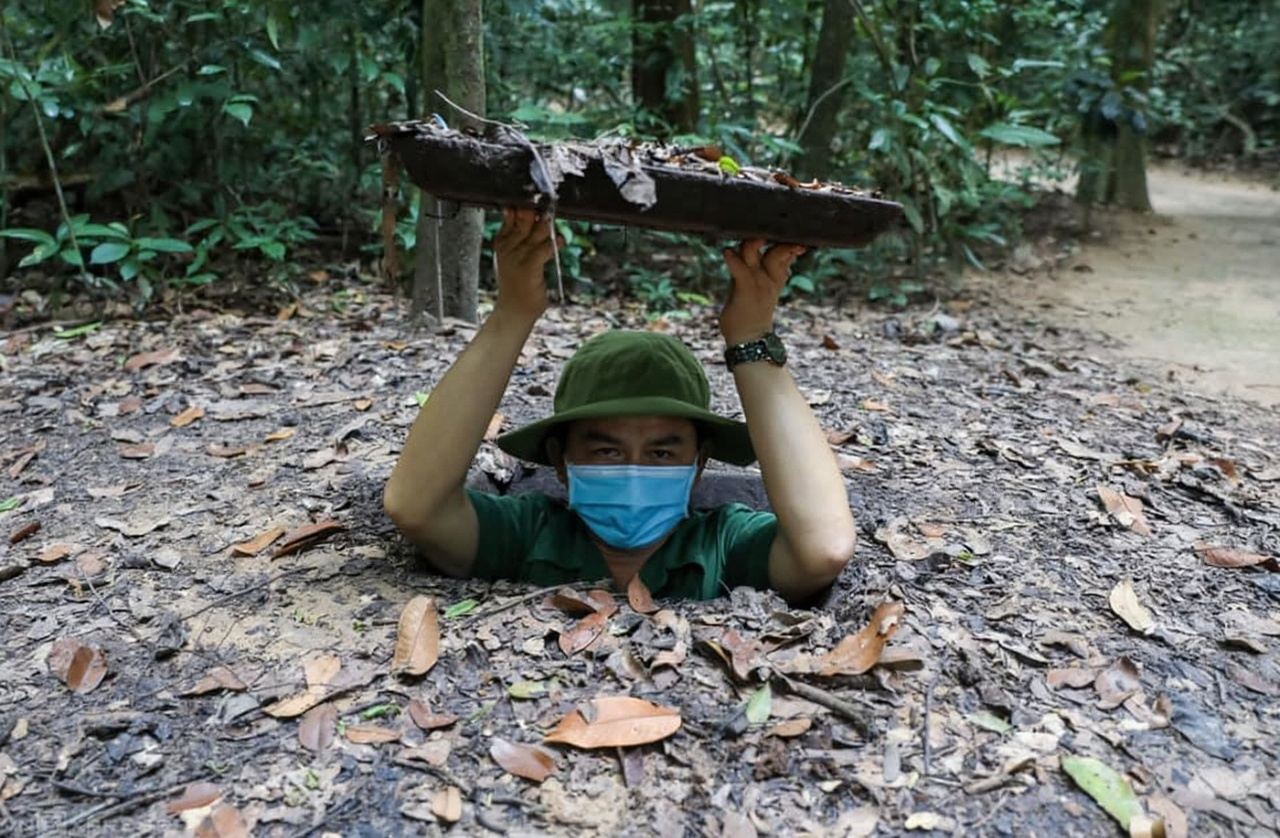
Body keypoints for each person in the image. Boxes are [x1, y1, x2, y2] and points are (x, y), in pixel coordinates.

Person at [384, 208, 856, 604]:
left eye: (662, 454)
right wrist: (512, 313)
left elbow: (825, 547)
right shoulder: (529, 534)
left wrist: (750, 339)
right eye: (606, 452)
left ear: (699, 465)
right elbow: (416, 507)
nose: (633, 472)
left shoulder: (722, 544)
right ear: (560, 463)